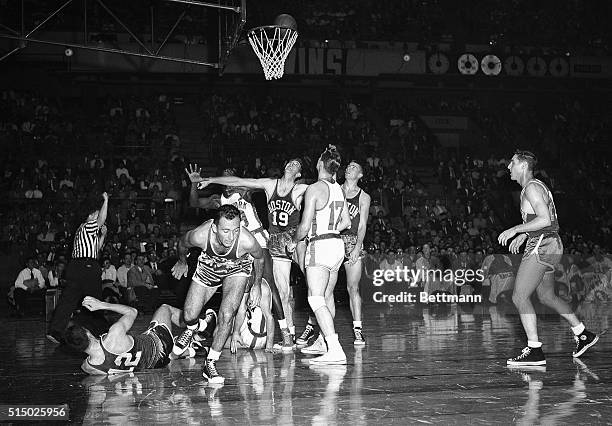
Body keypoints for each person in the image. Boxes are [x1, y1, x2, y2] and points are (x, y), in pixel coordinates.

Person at [499, 150, 599, 366]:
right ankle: (583, 334)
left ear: (523, 166)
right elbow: (547, 219)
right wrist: (525, 233)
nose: (508, 167)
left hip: (543, 245)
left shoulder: (532, 187)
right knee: (546, 296)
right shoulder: (537, 186)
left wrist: (516, 229)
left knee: (519, 297)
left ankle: (534, 350)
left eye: (512, 163)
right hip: (551, 244)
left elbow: (544, 219)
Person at [195, 159, 308, 349]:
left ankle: (286, 333)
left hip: (258, 239)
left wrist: (213, 179)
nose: (230, 174)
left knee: (269, 282)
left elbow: (239, 181)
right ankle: (235, 330)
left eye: (232, 171)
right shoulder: (218, 200)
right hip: (239, 245)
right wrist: (202, 182)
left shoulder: (244, 191)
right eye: (226, 172)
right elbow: (194, 202)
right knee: (242, 289)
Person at [170, 205, 265, 383]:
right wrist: (182, 261)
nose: (231, 237)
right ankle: (194, 327)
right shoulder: (200, 235)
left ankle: (210, 363)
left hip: (236, 269)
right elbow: (182, 243)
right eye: (226, 231)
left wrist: (257, 284)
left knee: (227, 314)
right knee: (189, 315)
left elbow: (260, 257)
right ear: (215, 228)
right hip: (209, 267)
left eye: (236, 230)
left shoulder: (246, 241)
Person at [287, 145, 351, 365]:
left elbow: (303, 227)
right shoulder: (339, 189)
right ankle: (324, 342)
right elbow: (346, 222)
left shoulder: (315, 188)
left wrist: (293, 241)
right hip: (336, 244)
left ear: (321, 164)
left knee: (315, 298)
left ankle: (335, 348)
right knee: (328, 296)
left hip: (320, 245)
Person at [65, 296, 215, 375]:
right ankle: (198, 325)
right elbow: (132, 312)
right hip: (159, 345)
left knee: (146, 344)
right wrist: (102, 305)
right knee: (165, 309)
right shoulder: (113, 335)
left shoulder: (89, 367)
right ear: (87, 333)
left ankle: (190, 350)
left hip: (153, 365)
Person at [47, 193, 109, 344]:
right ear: (89, 216)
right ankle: (103, 333)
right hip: (86, 266)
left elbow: (96, 250)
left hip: (77, 266)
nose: (97, 215)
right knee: (95, 299)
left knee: (69, 300)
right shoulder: (87, 225)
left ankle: (55, 331)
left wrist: (102, 236)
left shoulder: (85, 232)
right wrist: (106, 201)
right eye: (95, 214)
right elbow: (102, 219)